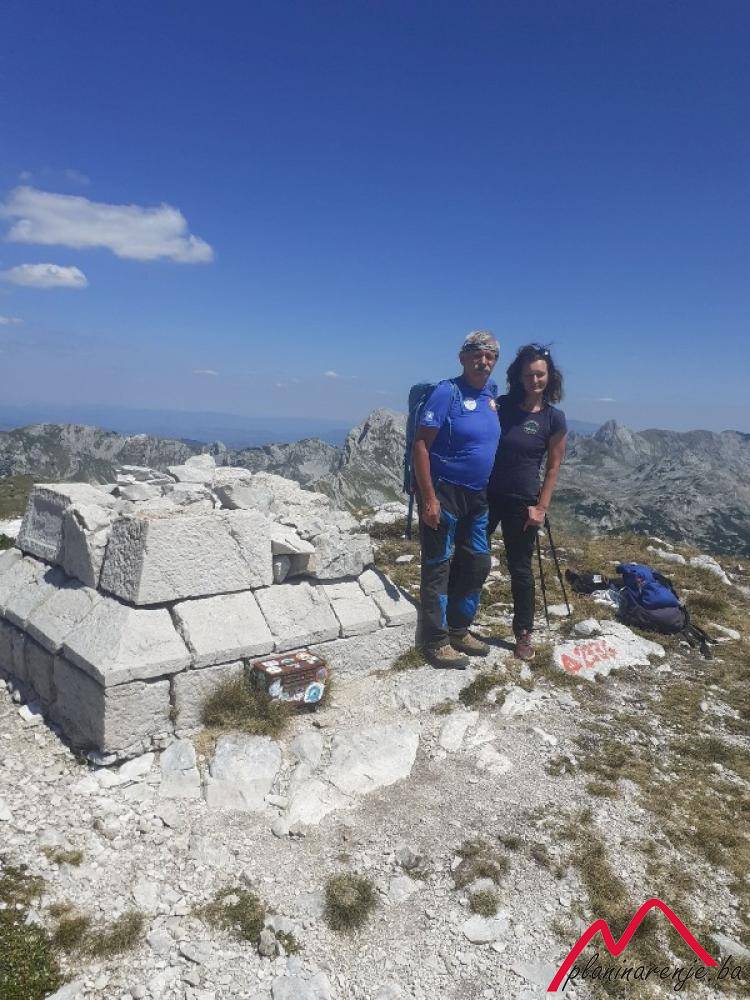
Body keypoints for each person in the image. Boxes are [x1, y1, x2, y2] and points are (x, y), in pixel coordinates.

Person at [412, 331, 501, 668]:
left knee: (477, 562)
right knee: (438, 565)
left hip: (477, 495)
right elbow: (421, 445)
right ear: (463, 358)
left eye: (490, 356)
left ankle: (459, 629)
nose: (484, 362)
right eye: (477, 355)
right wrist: (428, 499)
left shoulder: (491, 394)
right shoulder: (445, 393)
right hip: (444, 491)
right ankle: (435, 641)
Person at [487, 344, 567, 662]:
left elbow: (553, 467)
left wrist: (541, 508)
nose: (535, 380)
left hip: (523, 501)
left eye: (540, 374)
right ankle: (456, 622)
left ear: (549, 376)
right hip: (487, 495)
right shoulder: (502, 406)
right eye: (529, 375)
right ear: (518, 377)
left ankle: (523, 633)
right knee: (471, 557)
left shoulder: (553, 418)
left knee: (520, 568)